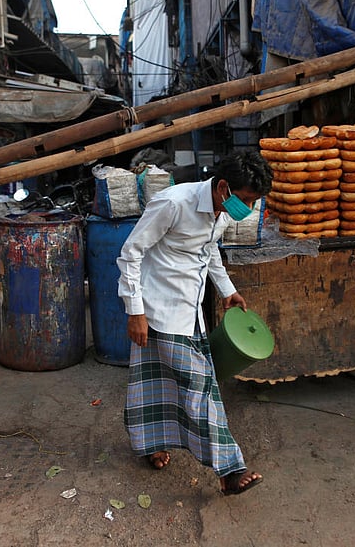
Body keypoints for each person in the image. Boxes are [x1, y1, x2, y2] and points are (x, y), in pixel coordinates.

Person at [116, 150, 273, 496]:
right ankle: (229, 470)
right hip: (158, 309)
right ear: (223, 188)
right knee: (202, 385)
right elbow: (131, 252)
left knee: (155, 381)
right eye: (246, 200)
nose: (247, 209)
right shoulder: (173, 203)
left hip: (191, 313)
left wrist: (227, 290)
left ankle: (150, 443)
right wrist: (135, 310)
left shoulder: (222, 213)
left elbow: (210, 249)